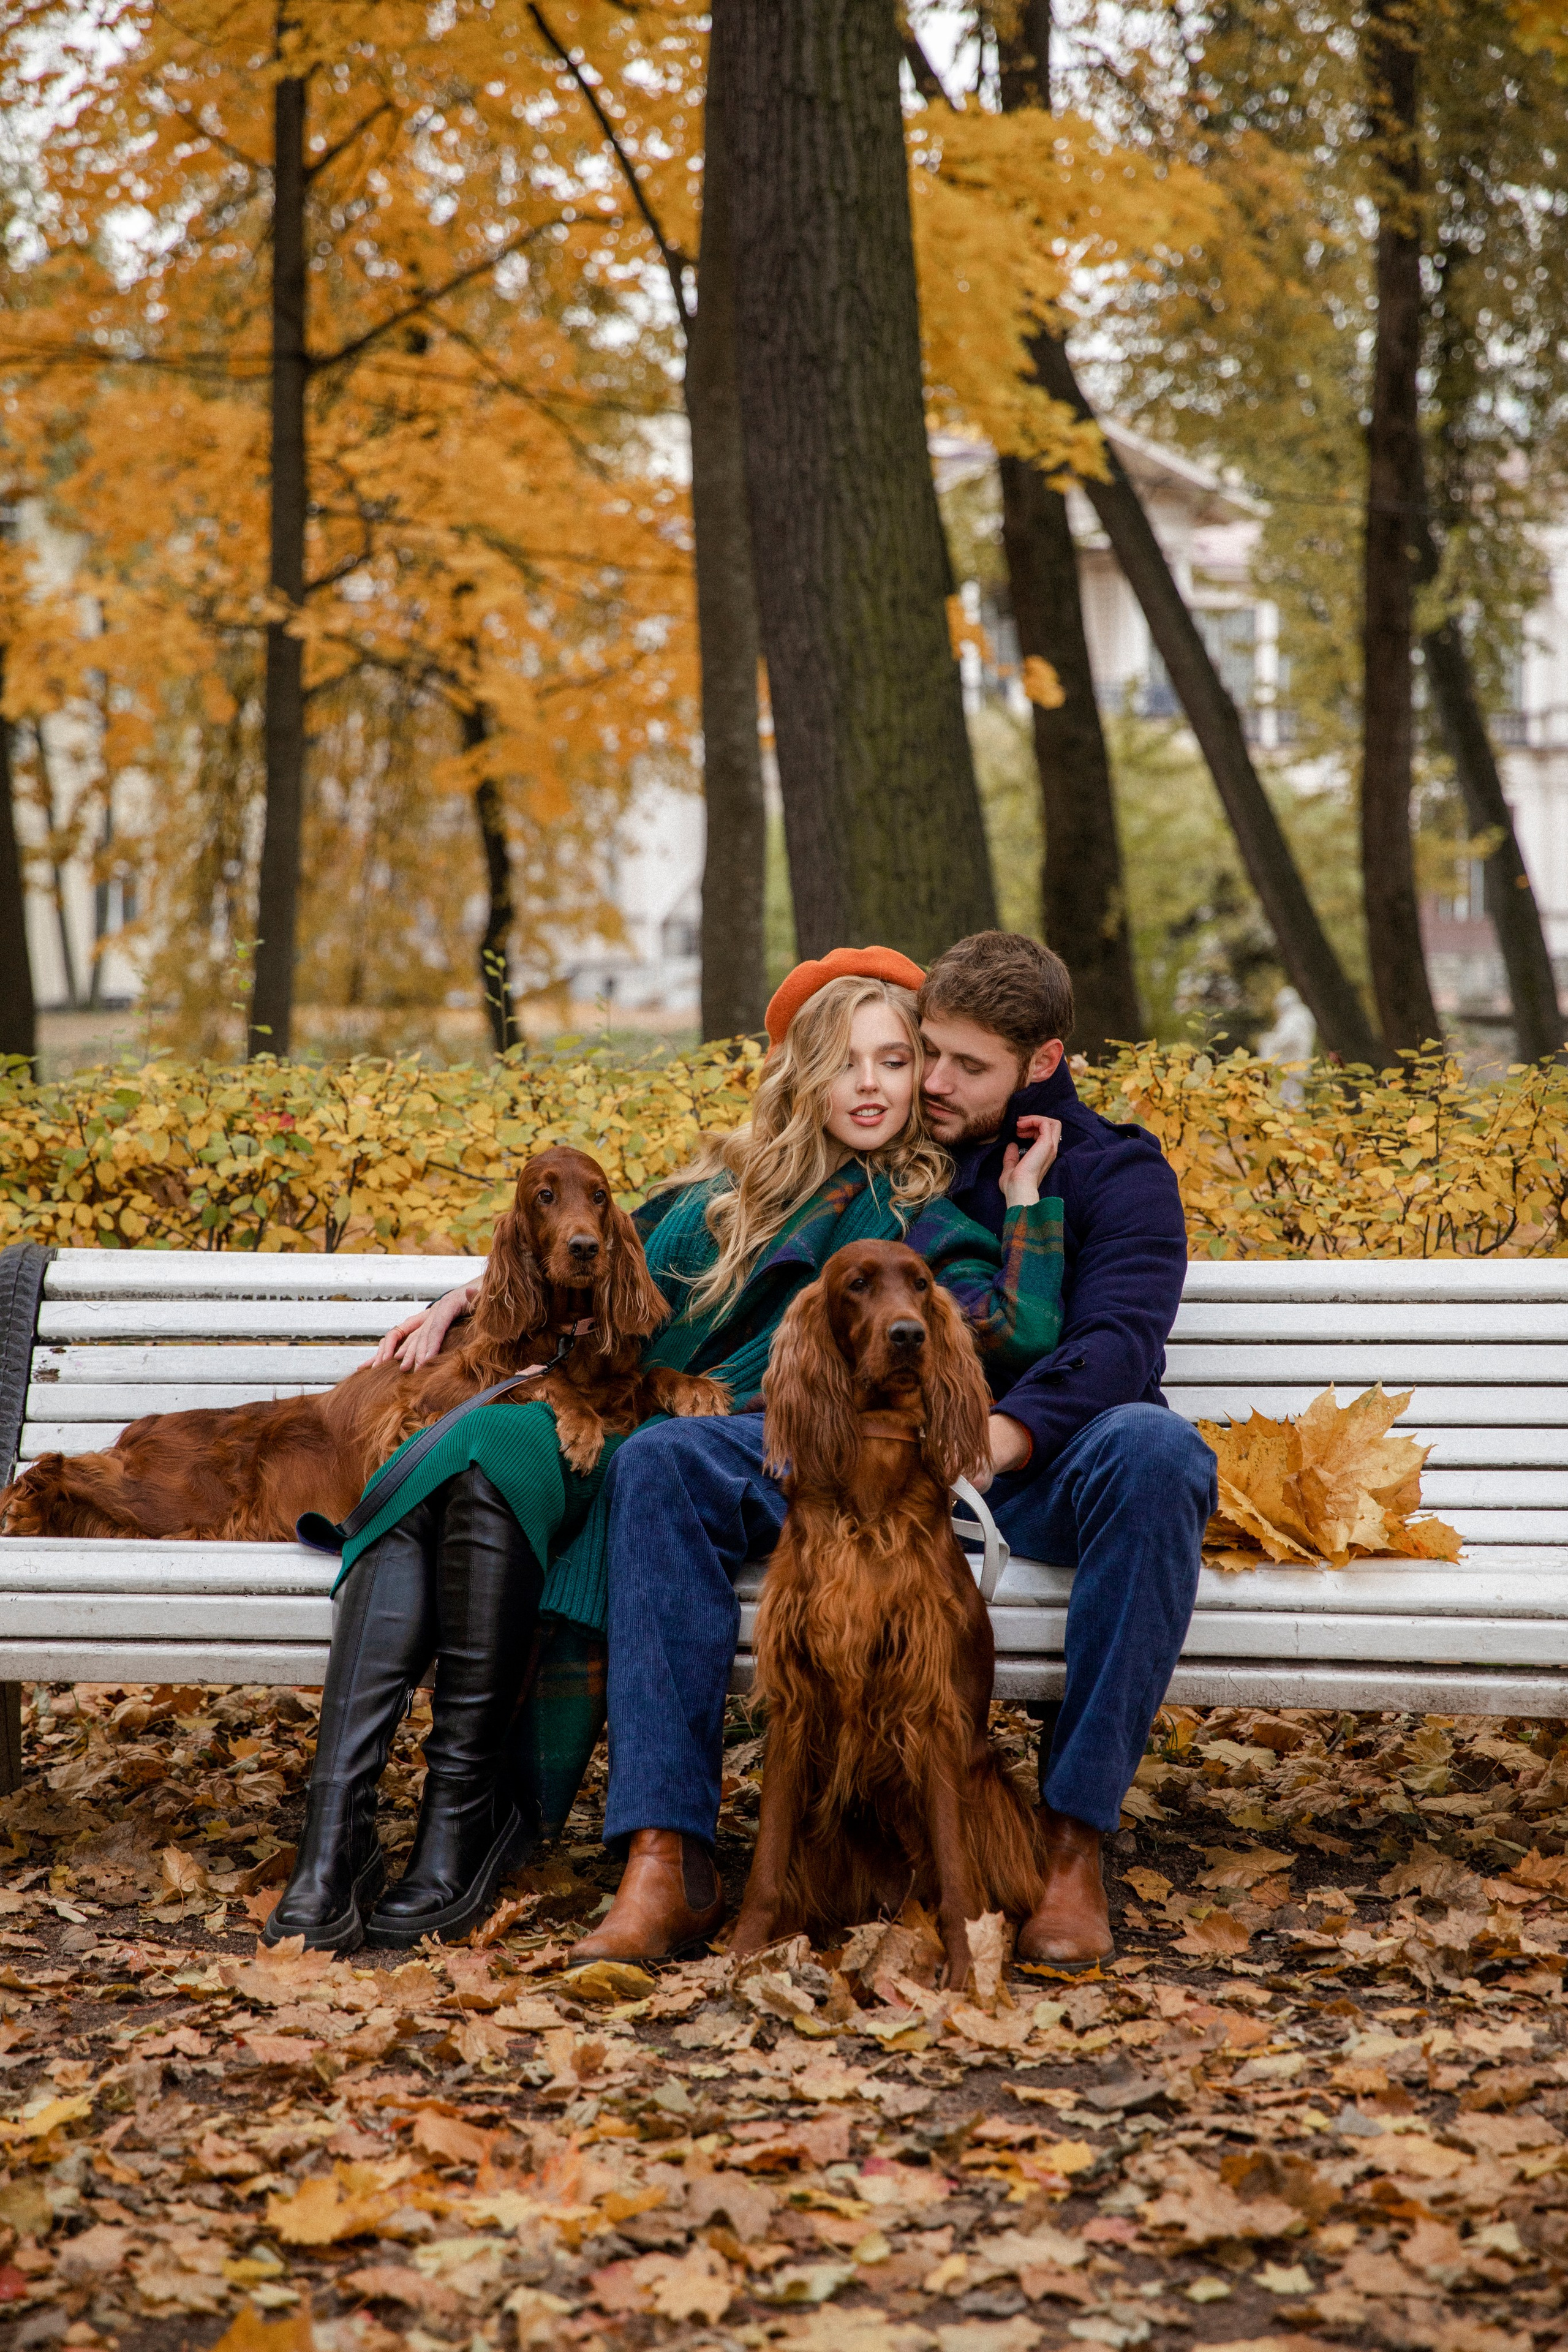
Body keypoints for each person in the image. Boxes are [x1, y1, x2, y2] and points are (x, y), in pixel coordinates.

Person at [274, 950, 1064, 1952]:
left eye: (895, 1061)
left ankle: (584, 1847)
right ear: (798, 1072)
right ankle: (383, 1838)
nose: (871, 1085)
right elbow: (589, 1260)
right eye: (843, 1060)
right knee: (473, 1466)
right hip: (626, 1420)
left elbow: (1016, 1324)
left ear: (919, 1080)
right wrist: (466, 1300)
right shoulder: (718, 1198)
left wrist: (1030, 1200)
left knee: (505, 1452)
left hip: (771, 1454)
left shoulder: (917, 1213)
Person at [557, 930, 1215, 1967]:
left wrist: (1000, 1434)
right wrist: (478, 1300)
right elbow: (663, 1233)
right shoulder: (891, 1150)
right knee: (662, 1463)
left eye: (963, 1066)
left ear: (1043, 1063)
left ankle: (1069, 1847)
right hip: (850, 1465)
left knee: (1158, 1454)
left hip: (1022, 1473)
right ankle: (666, 1856)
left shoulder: (1116, 1172)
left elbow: (1117, 1343)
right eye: (927, 1053)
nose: (932, 1085)